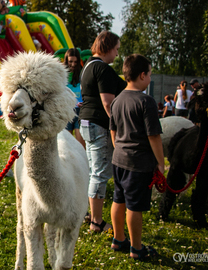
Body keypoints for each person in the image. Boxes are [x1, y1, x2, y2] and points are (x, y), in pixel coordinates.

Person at [110, 54, 163, 259]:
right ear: (142, 75)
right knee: (134, 206)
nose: (149, 78)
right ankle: (137, 248)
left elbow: (113, 132)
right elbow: (154, 136)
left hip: (119, 160)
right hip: (138, 164)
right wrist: (160, 163)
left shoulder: (117, 100)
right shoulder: (146, 101)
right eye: (149, 74)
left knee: (118, 199)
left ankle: (118, 239)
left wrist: (119, 150)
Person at [79, 31, 127, 232]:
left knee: (92, 171)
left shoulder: (88, 66)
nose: (117, 54)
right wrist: (117, 125)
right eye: (116, 49)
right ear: (107, 48)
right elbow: (108, 103)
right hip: (99, 124)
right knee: (99, 173)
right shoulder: (103, 69)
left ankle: (89, 213)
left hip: (86, 122)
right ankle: (96, 222)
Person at [63, 48, 85, 147]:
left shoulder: (82, 73)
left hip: (80, 111)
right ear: (66, 61)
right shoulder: (62, 75)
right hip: (67, 111)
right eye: (70, 61)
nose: (73, 64)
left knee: (81, 145)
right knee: (66, 145)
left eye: (75, 62)